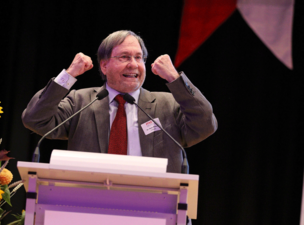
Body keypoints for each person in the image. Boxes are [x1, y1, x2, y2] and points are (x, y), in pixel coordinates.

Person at [22, 30, 217, 173]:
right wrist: (68, 75)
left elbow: (205, 124)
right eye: (124, 57)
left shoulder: (168, 104)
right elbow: (35, 119)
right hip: (89, 205)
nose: (133, 64)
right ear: (104, 65)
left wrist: (175, 79)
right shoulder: (80, 101)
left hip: (154, 205)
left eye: (139, 58)